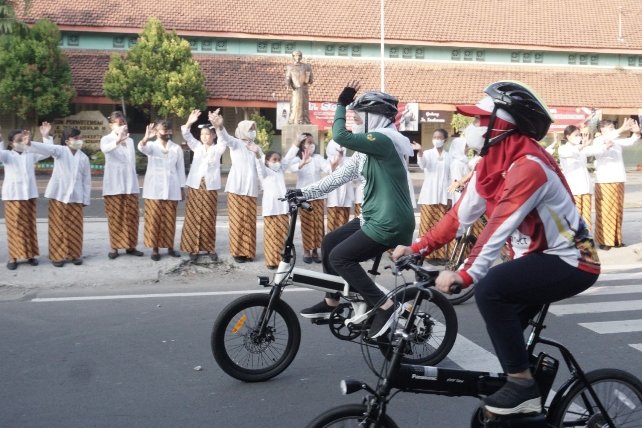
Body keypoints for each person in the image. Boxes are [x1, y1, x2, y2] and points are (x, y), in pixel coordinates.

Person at [393, 81, 600, 417]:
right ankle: (528, 400)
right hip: (536, 258)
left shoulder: (529, 165)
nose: (472, 129)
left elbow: (497, 225)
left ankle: (523, 386)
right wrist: (417, 248)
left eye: (479, 121)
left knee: (490, 290)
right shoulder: (491, 164)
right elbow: (458, 217)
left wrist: (467, 273)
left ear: (502, 125)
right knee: (506, 335)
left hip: (572, 260)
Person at [297, 81, 415, 339]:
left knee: (341, 257)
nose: (357, 122)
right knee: (329, 243)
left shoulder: (385, 140)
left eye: (360, 117)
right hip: (373, 217)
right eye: (355, 117)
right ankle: (332, 302)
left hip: (389, 221)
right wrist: (303, 193)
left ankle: (384, 306)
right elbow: (337, 178)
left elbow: (340, 136)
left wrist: (340, 105)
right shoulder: (366, 153)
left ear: (376, 119)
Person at [28, 128, 91, 267]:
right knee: (58, 226)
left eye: (81, 138)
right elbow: (47, 148)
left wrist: (85, 199)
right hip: (58, 195)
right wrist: (30, 142)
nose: (79, 141)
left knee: (75, 227)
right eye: (76, 138)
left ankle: (74, 255)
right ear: (68, 141)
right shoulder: (60, 151)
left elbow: (86, 180)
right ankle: (57, 256)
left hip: (76, 197)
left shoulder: (84, 158)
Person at [209, 111, 262, 263]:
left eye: (254, 129)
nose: (253, 131)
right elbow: (225, 137)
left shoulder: (256, 147)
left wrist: (257, 153)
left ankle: (249, 251)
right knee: (238, 222)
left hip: (251, 189)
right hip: (236, 189)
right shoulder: (236, 143)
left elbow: (262, 167)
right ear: (243, 130)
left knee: (250, 222)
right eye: (250, 128)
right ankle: (237, 252)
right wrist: (219, 127)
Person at [1, 123, 52, 269]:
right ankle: (13, 257)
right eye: (18, 140)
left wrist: (45, 136)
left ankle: (30, 255)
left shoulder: (31, 154)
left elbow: (47, 152)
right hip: (13, 196)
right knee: (14, 227)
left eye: (23, 139)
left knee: (29, 226)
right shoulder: (7, 155)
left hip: (29, 195)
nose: (22, 142)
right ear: (11, 143)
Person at [180, 109, 228, 262]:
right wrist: (190, 121)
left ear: (213, 135)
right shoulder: (197, 147)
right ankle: (193, 248)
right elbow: (186, 134)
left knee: (208, 217)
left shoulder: (218, 149)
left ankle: (209, 247)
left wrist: (218, 126)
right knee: (193, 217)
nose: (204, 137)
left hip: (210, 187)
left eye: (207, 134)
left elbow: (223, 140)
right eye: (202, 134)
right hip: (195, 186)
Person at [138, 119, 186, 261]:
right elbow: (141, 148)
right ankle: (155, 249)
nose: (167, 132)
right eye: (164, 130)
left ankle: (170, 247)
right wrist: (146, 137)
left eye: (169, 130)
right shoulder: (152, 146)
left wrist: (181, 188)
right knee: (154, 219)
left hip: (172, 187)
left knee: (169, 219)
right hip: (154, 189)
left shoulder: (176, 148)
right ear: (157, 131)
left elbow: (180, 169)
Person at [100, 111, 144, 260]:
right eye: (119, 123)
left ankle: (131, 246)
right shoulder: (106, 139)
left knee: (132, 217)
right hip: (114, 186)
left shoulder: (130, 141)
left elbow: (130, 162)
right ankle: (115, 247)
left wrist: (123, 139)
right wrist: (118, 140)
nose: (123, 126)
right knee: (116, 217)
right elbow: (105, 150)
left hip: (130, 185)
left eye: (124, 122)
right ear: (112, 125)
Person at [592, 118, 641, 249]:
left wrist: (637, 132)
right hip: (604, 181)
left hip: (619, 179)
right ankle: (604, 241)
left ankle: (616, 239)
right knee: (605, 211)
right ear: (603, 130)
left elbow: (630, 142)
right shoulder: (598, 141)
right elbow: (607, 140)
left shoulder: (616, 141)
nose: (614, 131)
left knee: (617, 211)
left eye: (614, 128)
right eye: (611, 129)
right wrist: (621, 129)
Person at [287, 133, 331, 263]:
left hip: (317, 195)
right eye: (308, 142)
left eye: (312, 143)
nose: (311, 145)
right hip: (303, 197)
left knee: (318, 224)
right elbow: (290, 168)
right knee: (306, 224)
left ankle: (315, 251)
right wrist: (302, 163)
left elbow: (328, 168)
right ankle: (307, 250)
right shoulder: (296, 159)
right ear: (302, 145)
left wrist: (334, 163)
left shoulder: (318, 158)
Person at [413, 128, 452, 261]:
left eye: (439, 137)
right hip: (429, 195)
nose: (436, 139)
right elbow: (422, 165)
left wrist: (450, 197)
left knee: (440, 227)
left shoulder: (449, 156)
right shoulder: (428, 153)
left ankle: (439, 256)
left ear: (445, 140)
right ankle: (422, 254)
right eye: (434, 137)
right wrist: (420, 151)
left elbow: (450, 177)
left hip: (443, 196)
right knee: (426, 224)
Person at [557, 124, 600, 231]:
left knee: (587, 215)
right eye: (576, 135)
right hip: (573, 188)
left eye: (579, 135)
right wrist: (582, 146)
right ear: (567, 136)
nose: (579, 137)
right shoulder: (563, 149)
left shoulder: (582, 148)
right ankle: (576, 242)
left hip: (585, 187)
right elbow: (571, 153)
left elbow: (597, 150)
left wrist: (605, 143)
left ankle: (587, 239)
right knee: (575, 215)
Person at [254, 150, 289, 269]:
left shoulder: (280, 171)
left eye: (279, 160)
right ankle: (271, 261)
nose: (277, 162)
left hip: (283, 209)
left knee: (283, 235)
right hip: (271, 209)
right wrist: (258, 156)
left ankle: (281, 260)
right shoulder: (265, 172)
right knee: (271, 236)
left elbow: (288, 158)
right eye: (274, 160)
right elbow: (260, 167)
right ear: (267, 161)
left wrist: (296, 143)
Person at [322, 139, 352, 233]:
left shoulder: (348, 160)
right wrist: (334, 164)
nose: (341, 149)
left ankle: (343, 245)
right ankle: (331, 245)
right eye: (338, 147)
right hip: (333, 199)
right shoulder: (327, 161)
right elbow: (327, 170)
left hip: (346, 198)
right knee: (332, 224)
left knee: (344, 225)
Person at [285, 50, 313, 125]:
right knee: (295, 105)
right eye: (296, 55)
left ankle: (305, 120)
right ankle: (293, 120)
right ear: (293, 57)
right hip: (295, 89)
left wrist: (308, 77)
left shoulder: (306, 66)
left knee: (304, 105)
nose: (298, 57)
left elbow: (311, 80)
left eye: (300, 55)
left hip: (304, 89)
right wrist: (287, 85)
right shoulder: (290, 67)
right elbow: (288, 77)